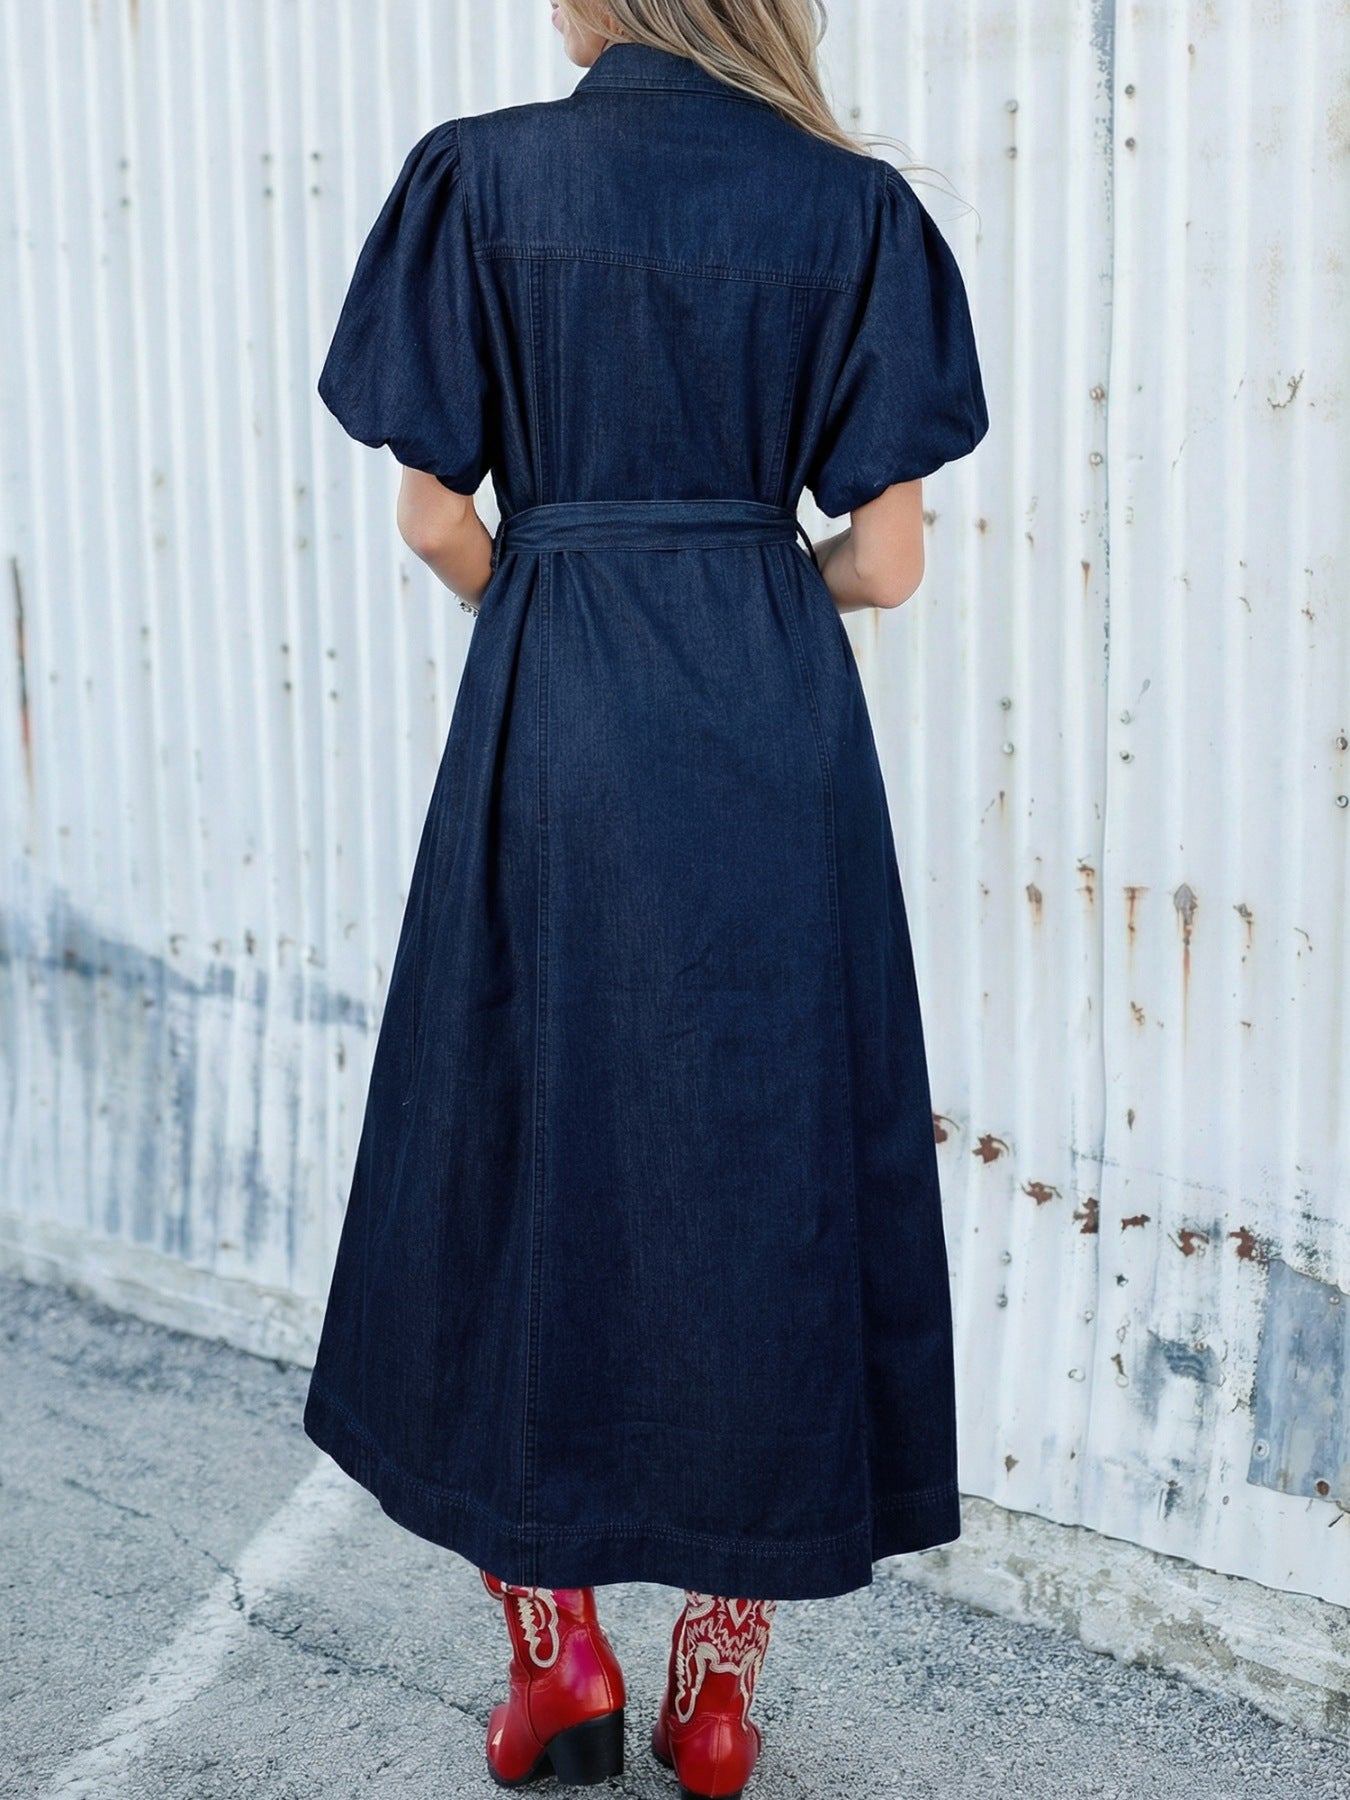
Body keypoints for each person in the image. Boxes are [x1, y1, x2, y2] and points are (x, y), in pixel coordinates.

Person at [304, 0, 989, 1793]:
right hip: (773, 726)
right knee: (763, 1167)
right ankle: (718, 1692)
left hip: (557, 707)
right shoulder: (851, 209)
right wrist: (749, 591)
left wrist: (551, 594)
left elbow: (435, 520)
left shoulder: (479, 180)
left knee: (518, 1150)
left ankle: (558, 1658)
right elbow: (889, 564)